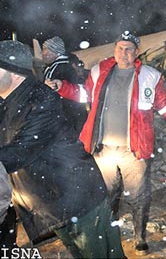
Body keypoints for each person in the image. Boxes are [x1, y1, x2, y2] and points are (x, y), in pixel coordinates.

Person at [46, 32, 166, 255]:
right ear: (114, 49)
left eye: (129, 48)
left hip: (134, 150)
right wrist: (62, 86)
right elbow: (84, 95)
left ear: (137, 52)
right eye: (120, 48)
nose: (123, 52)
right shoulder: (100, 71)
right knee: (106, 197)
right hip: (103, 150)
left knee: (138, 196)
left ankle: (140, 238)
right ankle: (109, 236)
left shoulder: (149, 76)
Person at [0, 40, 125, 258]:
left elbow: (21, 152)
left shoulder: (41, 99)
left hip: (79, 199)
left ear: (15, 73)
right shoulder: (7, 102)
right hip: (51, 202)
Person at [42, 36, 87, 132]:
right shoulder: (54, 67)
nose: (43, 54)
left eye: (46, 50)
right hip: (68, 118)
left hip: (67, 119)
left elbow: (76, 94)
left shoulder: (63, 67)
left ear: (55, 51)